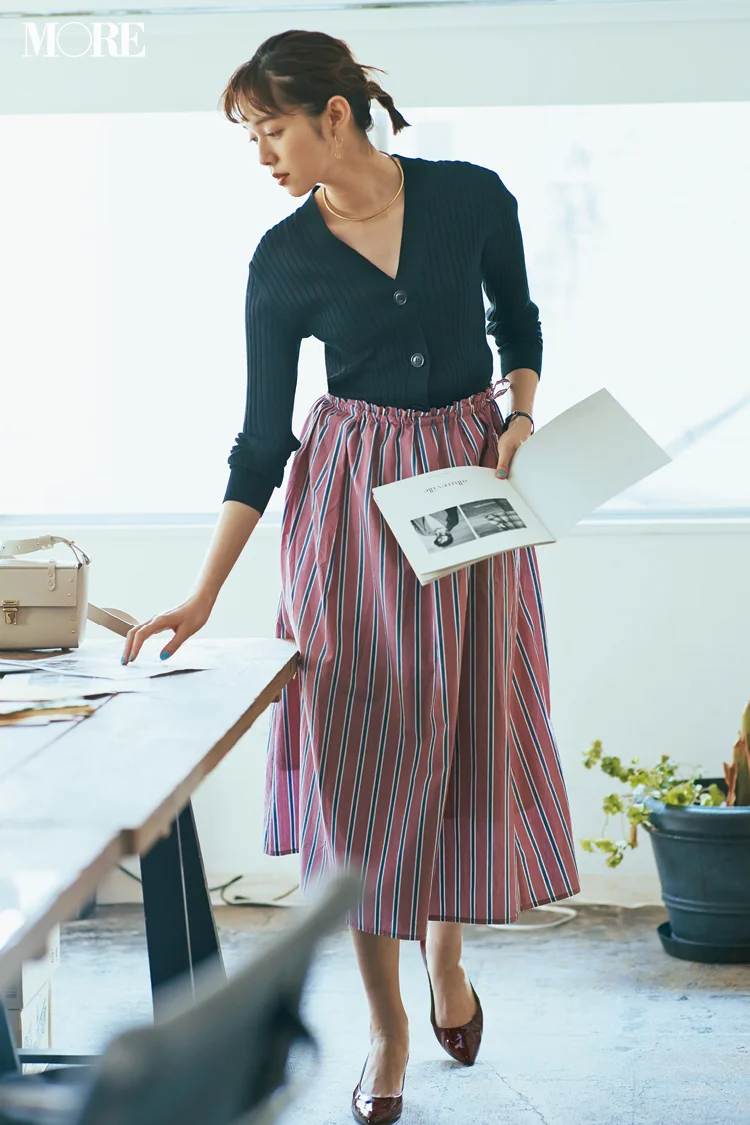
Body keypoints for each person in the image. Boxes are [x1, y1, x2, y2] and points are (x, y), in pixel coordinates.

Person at [120, 28, 581, 1125]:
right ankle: (386, 1030)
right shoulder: (282, 260)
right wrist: (204, 593)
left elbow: (519, 323)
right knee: (359, 760)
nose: (262, 154)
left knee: (463, 728)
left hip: (470, 494)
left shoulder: (472, 198)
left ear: (334, 114)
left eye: (269, 129)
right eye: (250, 136)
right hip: (350, 517)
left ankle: (448, 960)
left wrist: (519, 415)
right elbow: (258, 443)